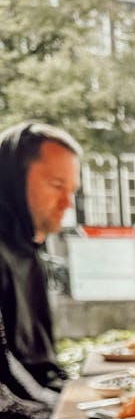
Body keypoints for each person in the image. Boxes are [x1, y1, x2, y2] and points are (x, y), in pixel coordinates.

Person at [0, 121, 82, 391]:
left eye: (72, 191)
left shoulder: (29, 251)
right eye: (57, 185)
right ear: (12, 178)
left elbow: (42, 368)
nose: (67, 204)